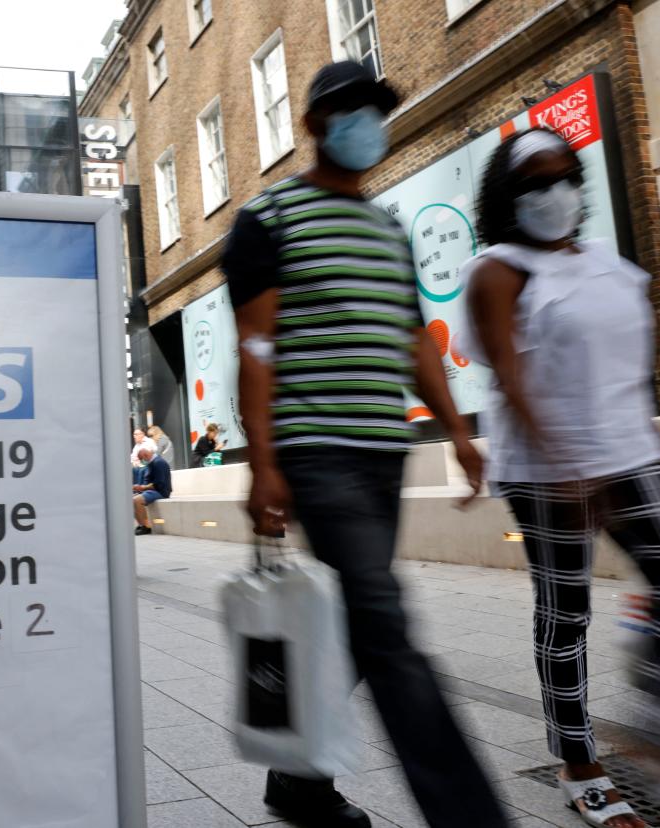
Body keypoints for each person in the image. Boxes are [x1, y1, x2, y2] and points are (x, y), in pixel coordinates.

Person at [226, 60, 509, 828]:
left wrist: (458, 429)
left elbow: (415, 337)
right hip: (316, 451)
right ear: (316, 124)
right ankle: (470, 813)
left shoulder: (385, 227)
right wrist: (265, 468)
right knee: (387, 624)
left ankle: (297, 781)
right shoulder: (267, 220)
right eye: (350, 112)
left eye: (375, 111)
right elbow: (257, 346)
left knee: (358, 618)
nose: (367, 125)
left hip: (384, 450)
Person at [463, 126, 660, 828]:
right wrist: (560, 460)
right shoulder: (498, 269)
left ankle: (655, 742)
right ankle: (580, 766)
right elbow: (508, 370)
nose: (553, 193)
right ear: (509, 196)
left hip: (630, 451)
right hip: (547, 466)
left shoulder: (610, 267)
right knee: (566, 614)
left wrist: (659, 438)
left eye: (563, 177)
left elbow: (626, 368)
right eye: (535, 183)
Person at [132, 447, 171, 536]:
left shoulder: (159, 463)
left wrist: (143, 488)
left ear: (146, 455)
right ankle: (141, 525)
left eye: (141, 459)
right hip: (152, 490)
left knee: (137, 500)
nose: (142, 462)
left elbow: (159, 483)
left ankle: (147, 527)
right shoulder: (151, 463)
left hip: (161, 491)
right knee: (132, 499)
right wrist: (140, 487)